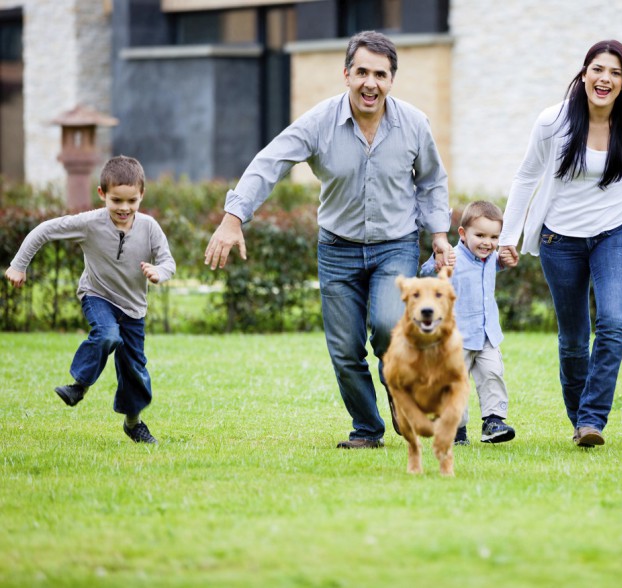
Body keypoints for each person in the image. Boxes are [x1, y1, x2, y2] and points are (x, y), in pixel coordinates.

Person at [203, 31, 453, 449]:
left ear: (391, 80)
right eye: (361, 73)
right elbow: (271, 162)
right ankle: (366, 430)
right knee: (344, 350)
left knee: (389, 326)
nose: (370, 83)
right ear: (346, 74)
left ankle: (397, 394)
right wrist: (233, 218)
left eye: (380, 74)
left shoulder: (414, 124)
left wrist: (440, 235)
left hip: (396, 244)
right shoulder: (319, 122)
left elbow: (431, 182)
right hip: (338, 250)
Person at [498, 39, 622, 448]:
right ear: (584, 73)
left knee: (612, 322)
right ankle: (579, 420)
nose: (605, 78)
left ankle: (592, 420)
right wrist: (507, 238)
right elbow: (525, 177)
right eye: (598, 69)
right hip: (559, 240)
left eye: (615, 73)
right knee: (572, 338)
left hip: (616, 235)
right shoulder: (553, 122)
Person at [4, 155, 176, 444]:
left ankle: (133, 423)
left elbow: (168, 262)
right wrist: (19, 264)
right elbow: (44, 230)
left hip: (133, 309)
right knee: (107, 335)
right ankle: (79, 386)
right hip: (98, 296)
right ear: (102, 194)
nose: (124, 208)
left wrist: (158, 271)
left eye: (131, 201)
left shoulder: (149, 228)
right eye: (116, 201)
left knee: (135, 369)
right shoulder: (89, 223)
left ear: (142, 195)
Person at [421, 201, 516, 446]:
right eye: (480, 235)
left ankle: (493, 422)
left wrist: (504, 260)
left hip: (487, 336)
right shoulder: (452, 259)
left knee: (493, 374)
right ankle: (456, 429)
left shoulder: (490, 258)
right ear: (463, 234)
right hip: (456, 338)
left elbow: (495, 265)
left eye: (494, 237)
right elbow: (426, 274)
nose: (488, 242)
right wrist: (437, 260)